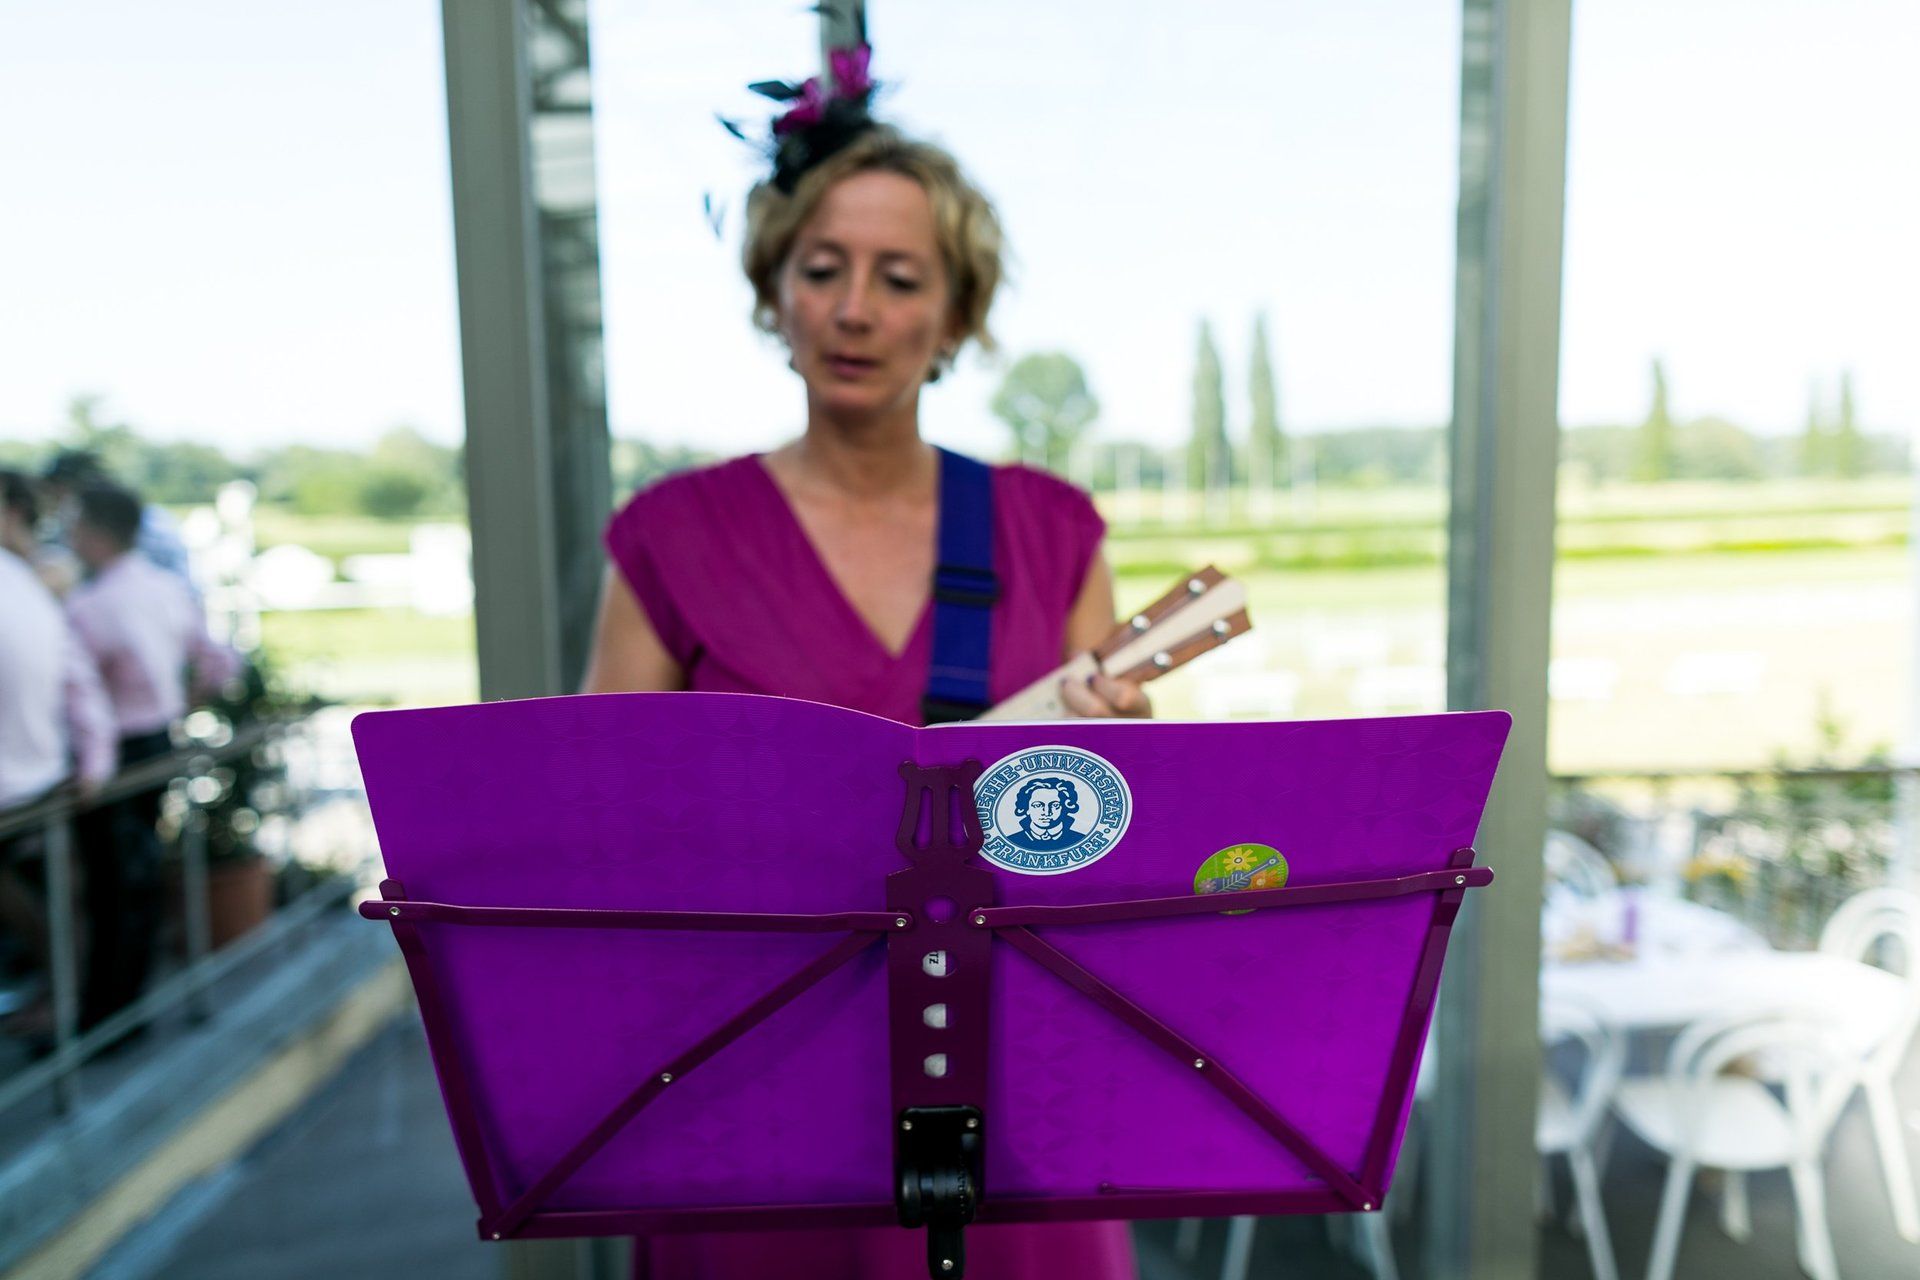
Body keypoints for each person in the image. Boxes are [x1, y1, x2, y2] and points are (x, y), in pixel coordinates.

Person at [580, 42, 1143, 1280]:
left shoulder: (1052, 529)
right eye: (822, 268)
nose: (854, 309)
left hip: (1011, 1090)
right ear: (773, 292)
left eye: (900, 277)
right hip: (751, 1092)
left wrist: (1123, 760)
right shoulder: (670, 536)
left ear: (956, 316)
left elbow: (1105, 846)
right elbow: (602, 829)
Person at [63, 482, 239, 1029]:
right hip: (158, 740)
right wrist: (186, 700)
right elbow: (218, 660)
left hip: (113, 752)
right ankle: (123, 1006)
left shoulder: (91, 604)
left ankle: (110, 1016)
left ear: (94, 533)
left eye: (74, 525)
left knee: (112, 884)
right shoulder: (164, 586)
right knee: (134, 874)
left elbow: (78, 693)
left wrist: (92, 765)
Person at [0, 469, 116, 1039]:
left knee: (54, 904)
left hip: (27, 781)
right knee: (61, 902)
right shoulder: (32, 583)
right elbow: (80, 682)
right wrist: (95, 763)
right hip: (44, 775)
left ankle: (61, 1008)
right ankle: (63, 1005)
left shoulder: (34, 580)